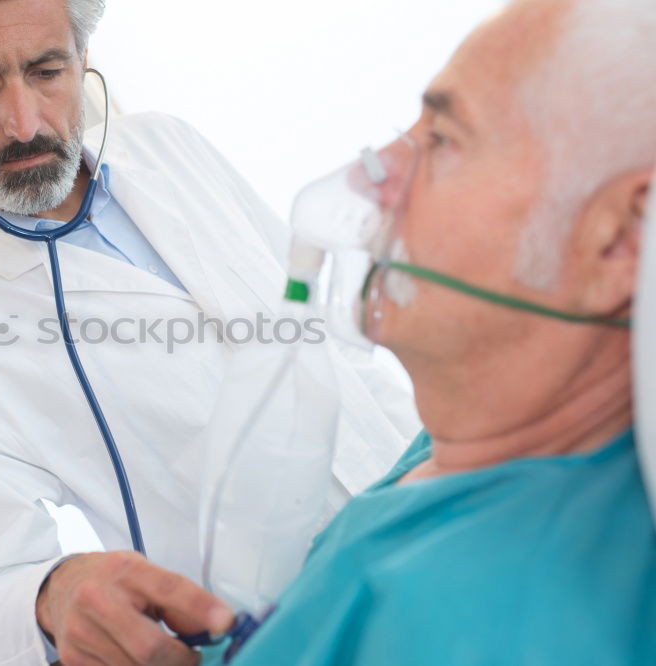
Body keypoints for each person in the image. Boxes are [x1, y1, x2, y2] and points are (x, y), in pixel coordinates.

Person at [0, 1, 419, 664]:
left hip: (433, 519)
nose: (23, 122)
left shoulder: (170, 147)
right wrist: (51, 595)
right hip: (295, 640)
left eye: (47, 70)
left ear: (84, 58)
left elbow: (326, 341)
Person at [208, 0, 656, 663]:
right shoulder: (485, 430)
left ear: (619, 239)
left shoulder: (498, 631)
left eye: (443, 139)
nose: (371, 175)